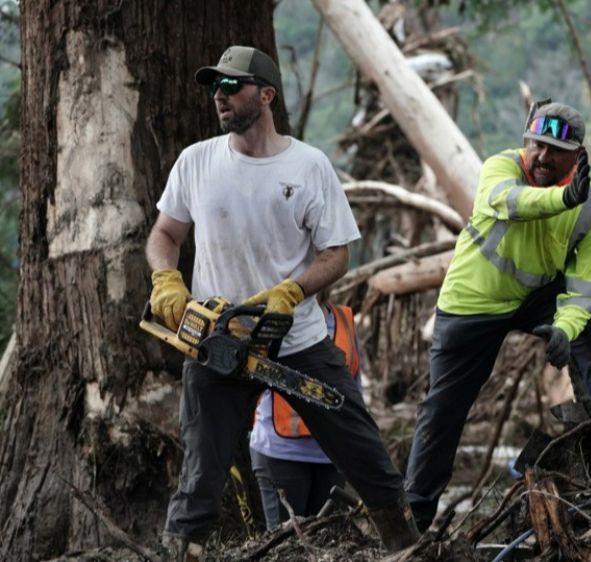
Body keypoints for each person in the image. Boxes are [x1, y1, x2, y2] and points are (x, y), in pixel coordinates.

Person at [145, 46, 418, 560]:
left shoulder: (308, 166)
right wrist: (166, 278)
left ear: (266, 95)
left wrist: (293, 291)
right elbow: (165, 232)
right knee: (201, 475)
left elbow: (336, 253)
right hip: (217, 341)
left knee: (364, 454)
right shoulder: (196, 161)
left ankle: (408, 547)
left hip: (296, 341)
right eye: (214, 88)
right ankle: (180, 551)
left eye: (232, 86)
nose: (220, 97)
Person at [404, 101, 591, 531]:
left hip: (538, 295)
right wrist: (561, 197)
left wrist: (563, 329)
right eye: (537, 145)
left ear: (578, 156)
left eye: (556, 150)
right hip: (473, 300)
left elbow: (586, 288)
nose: (542, 157)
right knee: (443, 408)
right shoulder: (501, 169)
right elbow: (510, 202)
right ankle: (414, 515)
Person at [249, 301, 362, 529]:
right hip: (281, 451)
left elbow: (354, 385)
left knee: (326, 544)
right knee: (285, 544)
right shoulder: (273, 316)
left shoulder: (343, 318)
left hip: (333, 455)